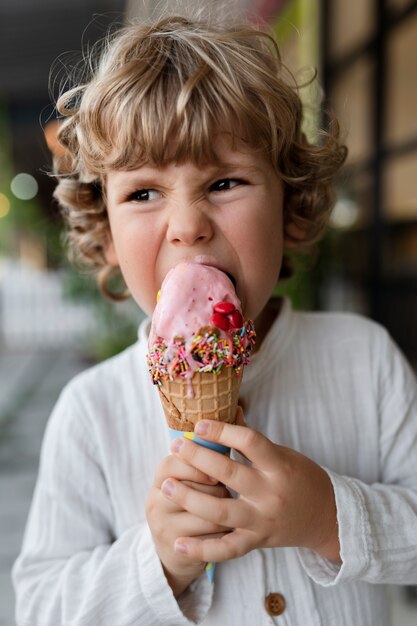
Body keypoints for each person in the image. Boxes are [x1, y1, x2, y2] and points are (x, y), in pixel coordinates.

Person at [13, 12, 417, 626]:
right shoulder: (91, 413)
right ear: (107, 231)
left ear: (290, 204)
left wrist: (328, 517)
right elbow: (43, 606)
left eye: (225, 182)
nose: (186, 225)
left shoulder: (364, 360)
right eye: (143, 193)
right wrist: (157, 560)